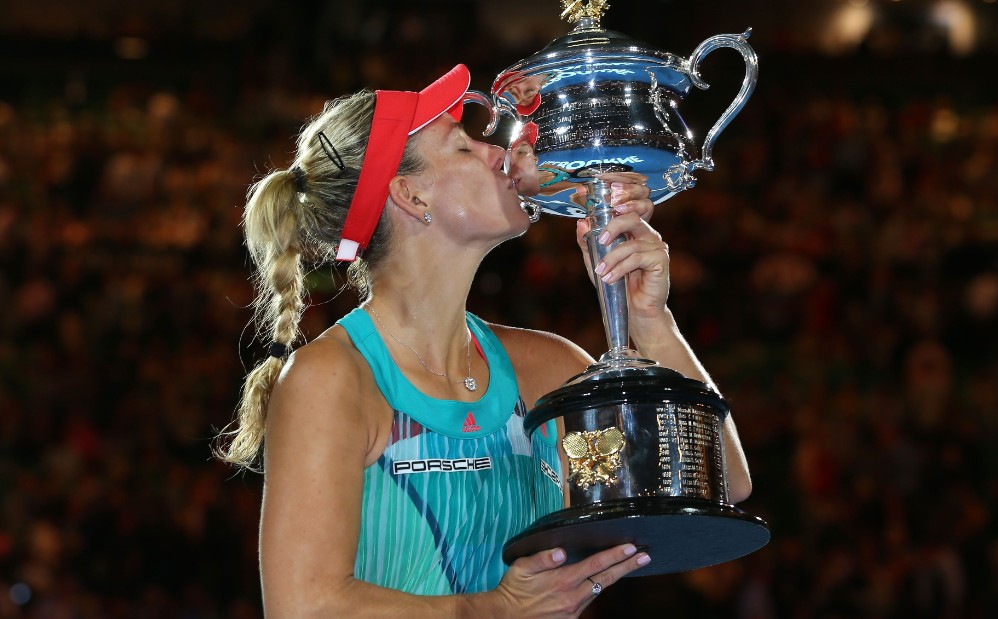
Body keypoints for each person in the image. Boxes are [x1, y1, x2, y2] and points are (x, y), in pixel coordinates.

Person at [217, 64, 753, 618]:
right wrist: (494, 610)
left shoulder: (546, 367)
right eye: (465, 147)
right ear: (409, 195)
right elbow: (302, 607)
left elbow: (720, 482)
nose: (500, 153)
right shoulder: (330, 379)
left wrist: (649, 319)